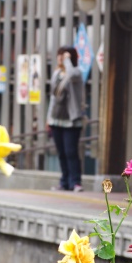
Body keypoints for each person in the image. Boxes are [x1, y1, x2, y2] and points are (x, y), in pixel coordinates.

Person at [47, 47, 85, 192]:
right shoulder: (56, 73)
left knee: (71, 151)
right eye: (59, 56)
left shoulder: (76, 73)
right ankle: (64, 181)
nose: (60, 59)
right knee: (61, 152)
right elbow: (53, 97)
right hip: (56, 118)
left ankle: (75, 182)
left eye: (63, 56)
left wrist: (68, 60)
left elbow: (73, 74)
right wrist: (48, 118)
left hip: (72, 119)